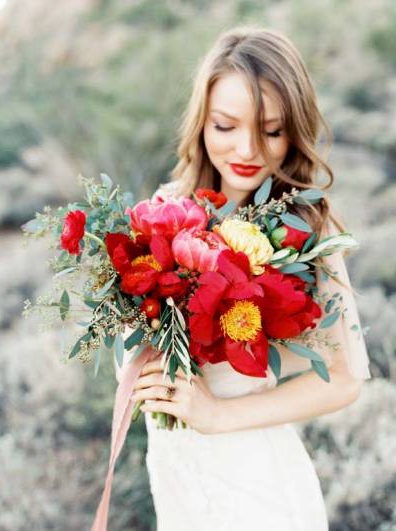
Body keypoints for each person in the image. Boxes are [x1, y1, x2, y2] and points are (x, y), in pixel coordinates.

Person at [116, 26, 372, 531]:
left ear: (294, 130)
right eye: (226, 126)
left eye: (272, 130)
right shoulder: (164, 211)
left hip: (256, 487)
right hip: (177, 478)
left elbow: (343, 382)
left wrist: (216, 415)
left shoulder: (307, 227)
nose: (248, 149)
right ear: (201, 122)